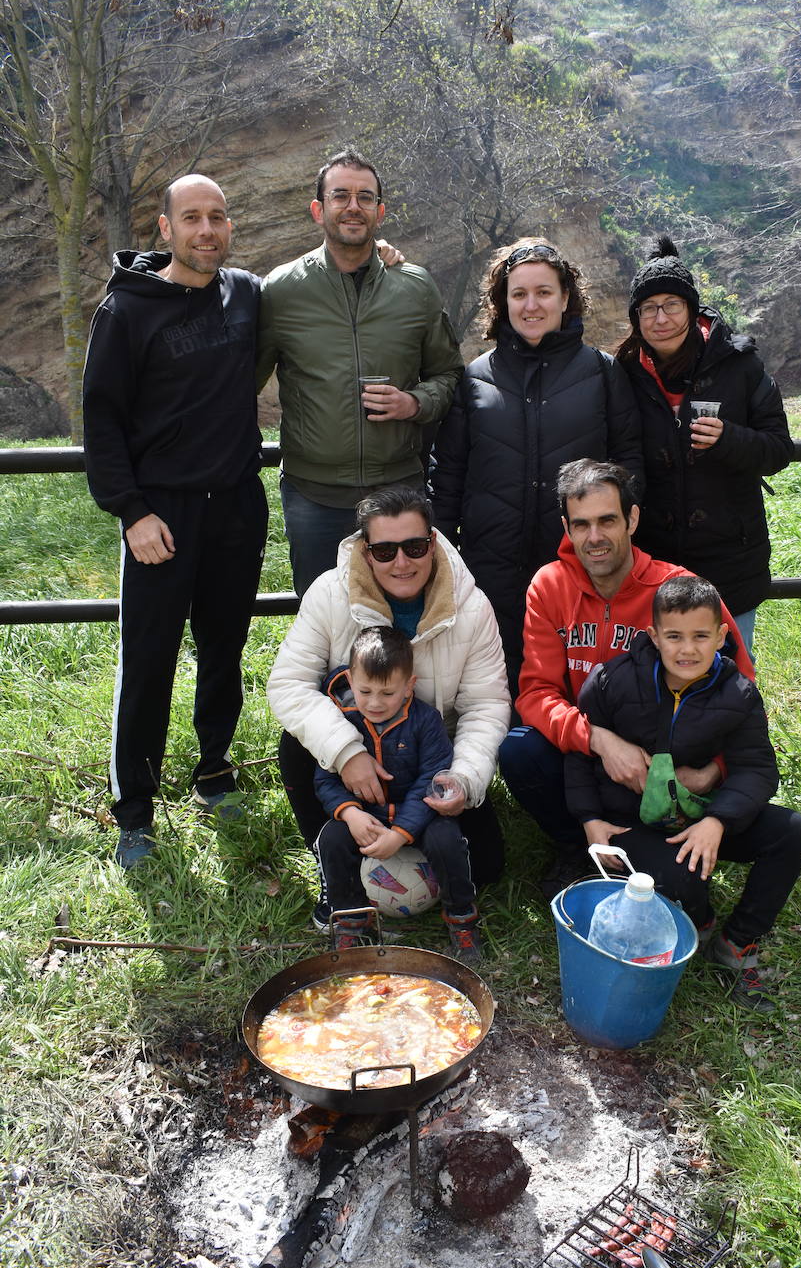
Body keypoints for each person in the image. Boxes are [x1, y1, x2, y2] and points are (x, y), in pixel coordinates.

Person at [82, 174, 268, 869]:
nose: (206, 230)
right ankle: (135, 810)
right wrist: (131, 512)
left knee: (224, 652)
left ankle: (213, 772)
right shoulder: (126, 312)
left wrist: (384, 256)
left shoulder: (244, 292)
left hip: (236, 507)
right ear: (164, 228)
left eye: (218, 216)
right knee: (150, 662)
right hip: (160, 514)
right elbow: (100, 418)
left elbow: (321, 286)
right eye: (191, 217)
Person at [499, 458, 754, 895]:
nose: (594, 538)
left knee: (683, 884)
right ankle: (579, 846)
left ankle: (652, 847)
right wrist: (598, 739)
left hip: (671, 761)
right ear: (566, 526)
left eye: (607, 521)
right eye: (580, 525)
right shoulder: (549, 586)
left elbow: (742, 690)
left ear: (632, 519)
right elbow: (535, 693)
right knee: (519, 750)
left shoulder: (679, 590)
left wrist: (715, 769)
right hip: (587, 755)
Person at [565, 576, 801, 1012]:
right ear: (653, 636)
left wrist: (718, 820)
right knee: (685, 877)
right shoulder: (610, 683)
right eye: (674, 636)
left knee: (791, 832)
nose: (687, 649)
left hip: (700, 815)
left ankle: (736, 942)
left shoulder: (739, 694)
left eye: (701, 636)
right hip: (631, 821)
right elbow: (579, 755)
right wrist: (589, 819)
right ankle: (698, 920)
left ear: (721, 635)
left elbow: (757, 768)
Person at [267, 486, 510, 925]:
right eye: (384, 550)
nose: (402, 563)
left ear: (433, 543)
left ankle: (419, 855)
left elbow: (486, 705)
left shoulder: (471, 608)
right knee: (296, 746)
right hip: (357, 765)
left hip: (432, 759)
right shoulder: (329, 594)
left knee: (488, 866)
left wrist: (463, 779)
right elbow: (288, 685)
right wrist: (347, 753)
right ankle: (334, 865)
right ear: (365, 550)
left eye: (415, 547)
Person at [429, 237, 643, 694]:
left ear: (566, 298)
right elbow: (448, 474)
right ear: (501, 302)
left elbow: (630, 463)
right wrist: (442, 555)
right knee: (494, 689)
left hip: (580, 563)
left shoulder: (603, 374)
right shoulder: (476, 378)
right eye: (518, 293)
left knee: (579, 686)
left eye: (544, 292)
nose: (531, 305)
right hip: (491, 564)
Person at [256, 147, 464, 597]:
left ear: (380, 211)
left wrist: (414, 402)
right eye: (340, 196)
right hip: (314, 496)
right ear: (319, 209)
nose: (353, 206)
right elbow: (241, 383)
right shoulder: (281, 290)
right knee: (323, 620)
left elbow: (449, 376)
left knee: (404, 621)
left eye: (365, 197)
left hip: (399, 493)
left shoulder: (414, 286)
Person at [617, 236, 793, 654]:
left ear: (692, 309)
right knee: (657, 677)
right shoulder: (623, 373)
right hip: (653, 558)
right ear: (636, 317)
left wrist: (729, 438)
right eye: (648, 308)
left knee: (730, 678)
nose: (660, 318)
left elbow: (778, 450)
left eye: (672, 305)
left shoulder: (741, 365)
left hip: (729, 557)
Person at [313, 626, 483, 962]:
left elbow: (429, 780)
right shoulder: (340, 721)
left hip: (419, 815)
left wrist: (401, 832)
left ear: (409, 686)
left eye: (387, 693)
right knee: (332, 838)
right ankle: (349, 920)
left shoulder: (426, 721)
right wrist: (350, 813)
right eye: (365, 691)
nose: (375, 703)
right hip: (366, 817)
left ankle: (461, 917)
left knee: (446, 840)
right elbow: (325, 777)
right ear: (350, 680)